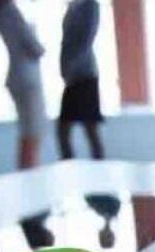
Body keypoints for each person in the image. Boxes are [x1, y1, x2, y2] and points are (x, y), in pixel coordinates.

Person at [0, 0, 46, 169]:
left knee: (28, 134)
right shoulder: (9, 10)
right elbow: (34, 47)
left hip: (19, 76)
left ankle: (28, 177)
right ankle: (29, 179)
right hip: (27, 78)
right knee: (32, 135)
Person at [58, 0, 105, 160]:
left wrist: (71, 66)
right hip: (71, 76)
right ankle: (69, 167)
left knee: (90, 129)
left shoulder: (91, 5)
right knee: (63, 130)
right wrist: (64, 69)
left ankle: (100, 170)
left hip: (85, 74)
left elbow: (86, 38)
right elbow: (65, 42)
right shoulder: (72, 7)